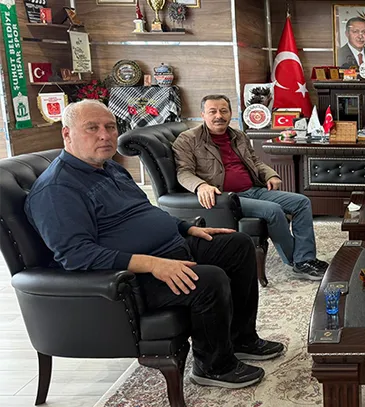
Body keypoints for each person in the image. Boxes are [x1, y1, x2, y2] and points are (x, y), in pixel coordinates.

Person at [24, 100, 284, 389]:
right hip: (131, 278)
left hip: (169, 249)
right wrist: (153, 264)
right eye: (92, 128)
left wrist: (186, 228)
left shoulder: (111, 169)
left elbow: (145, 212)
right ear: (67, 133)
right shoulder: (57, 189)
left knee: (237, 244)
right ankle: (213, 367)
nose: (105, 135)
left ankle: (241, 339)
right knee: (209, 279)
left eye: (110, 127)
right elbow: (76, 255)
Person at [172, 95, 328, 280]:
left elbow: (255, 161)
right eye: (212, 111)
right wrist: (201, 186)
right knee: (273, 210)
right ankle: (299, 262)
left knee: (301, 202)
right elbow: (183, 172)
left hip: (253, 189)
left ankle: (305, 258)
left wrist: (270, 175)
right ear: (203, 115)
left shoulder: (239, 135)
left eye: (223, 111)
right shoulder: (188, 139)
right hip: (227, 198)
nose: (219, 116)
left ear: (230, 113)